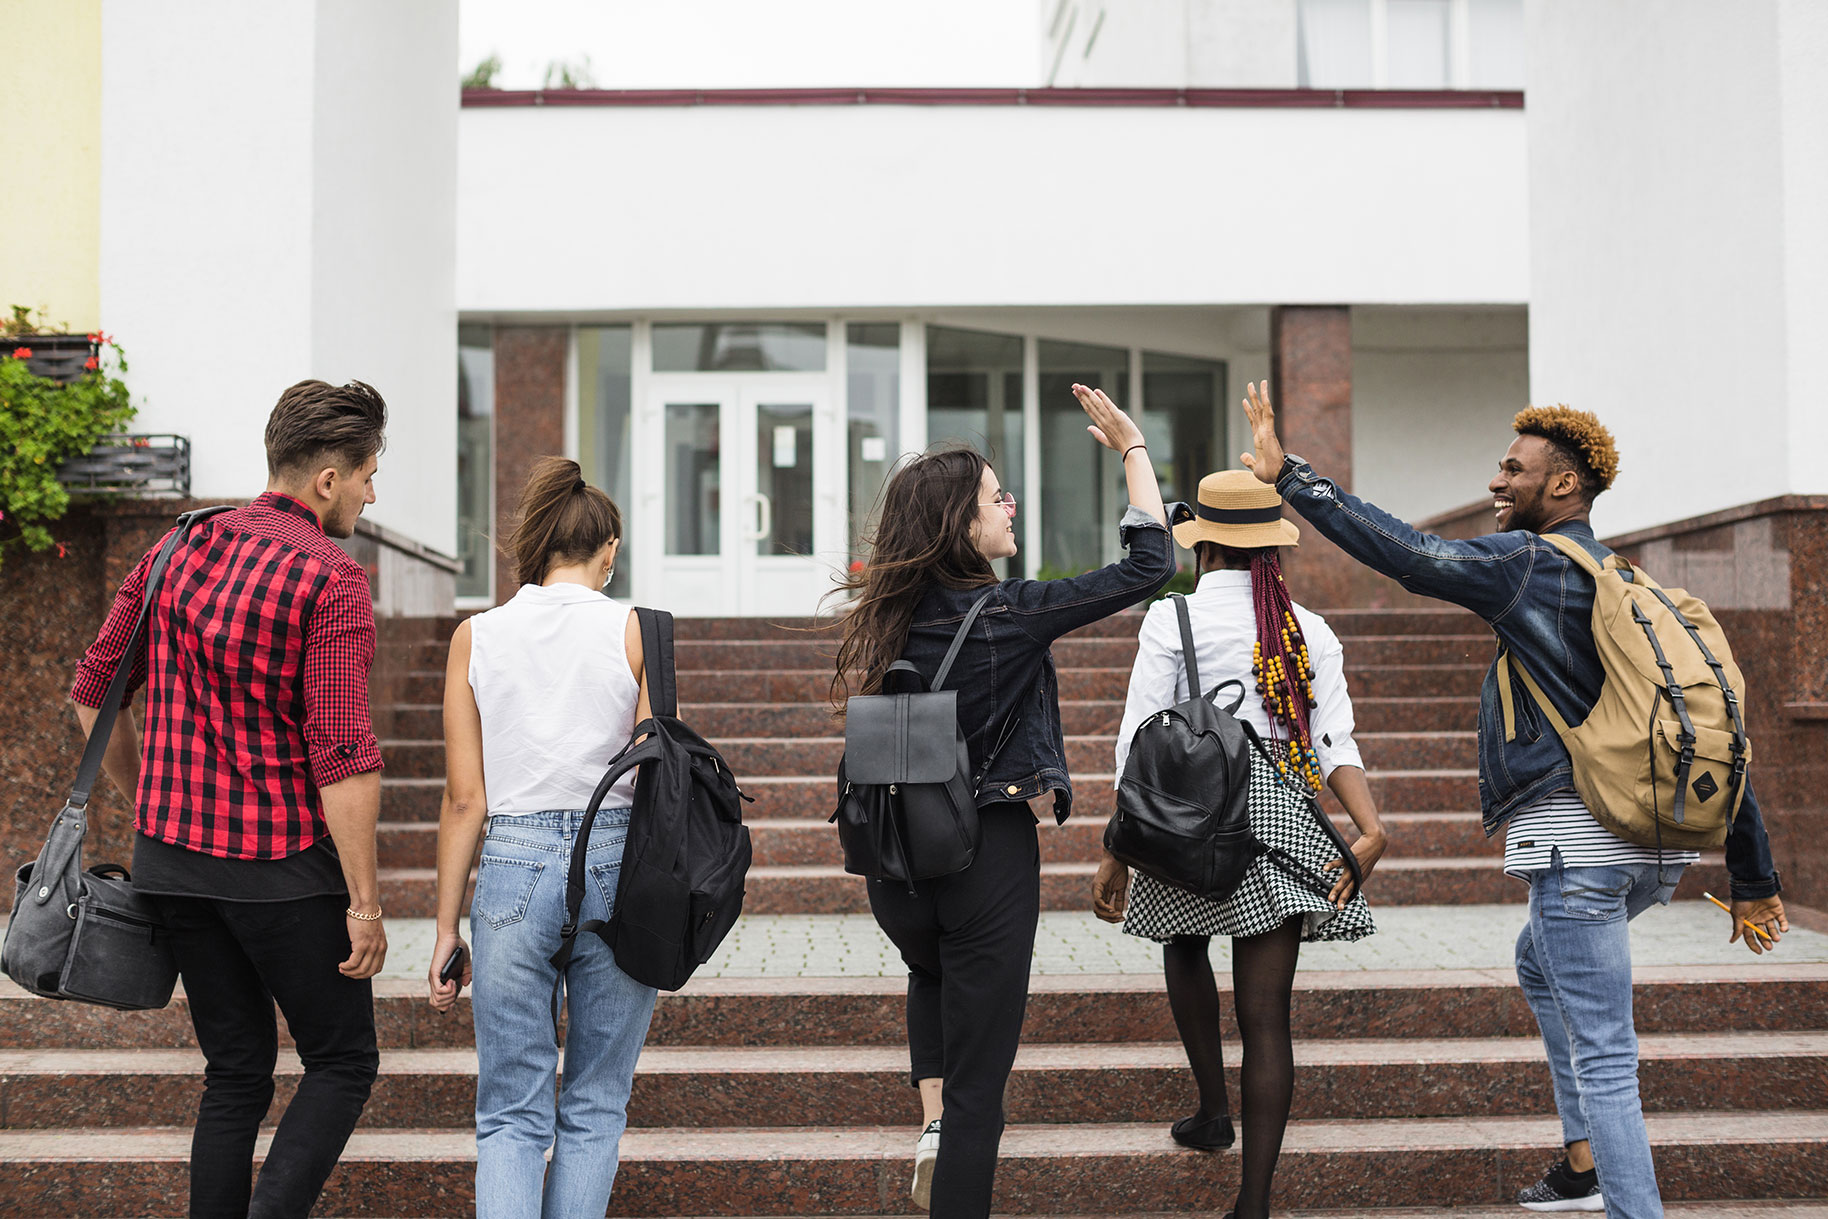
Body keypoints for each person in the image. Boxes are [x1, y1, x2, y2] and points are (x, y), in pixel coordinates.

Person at [1236, 382, 1787, 1218]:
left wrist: (1293, 479)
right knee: (1538, 960)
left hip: (1578, 850)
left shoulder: (1532, 563)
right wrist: (1754, 876)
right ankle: (1581, 1163)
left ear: (1562, 485)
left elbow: (1412, 555)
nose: (1496, 481)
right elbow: (1711, 726)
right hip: (1653, 851)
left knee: (1607, 1055)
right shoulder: (1631, 585)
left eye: (1512, 468)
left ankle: (1624, 1198)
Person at [831, 385, 1174, 1217]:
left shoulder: (885, 614)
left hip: (895, 859)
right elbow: (1150, 567)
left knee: (929, 971)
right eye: (996, 496)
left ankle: (931, 1126)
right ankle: (950, 1141)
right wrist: (1134, 450)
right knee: (981, 1091)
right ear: (962, 523)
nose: (1010, 504)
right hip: (985, 852)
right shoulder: (1007, 614)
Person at [69, 380, 388, 1219]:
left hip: (170, 866)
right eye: (367, 475)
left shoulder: (177, 547)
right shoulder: (332, 576)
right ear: (327, 478)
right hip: (279, 867)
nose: (371, 492)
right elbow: (342, 754)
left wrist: (152, 802)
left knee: (236, 1069)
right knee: (343, 1060)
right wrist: (364, 903)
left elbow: (94, 692)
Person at [1091, 467, 1385, 1219]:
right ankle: (1253, 1204)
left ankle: (1212, 1109)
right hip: (1279, 815)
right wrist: (1372, 827)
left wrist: (1116, 848)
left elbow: (1138, 736)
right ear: (1270, 549)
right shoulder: (1309, 628)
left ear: (1204, 547)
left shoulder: (1171, 618)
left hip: (1185, 806)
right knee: (1267, 1018)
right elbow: (1333, 742)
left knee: (1183, 942)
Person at [426, 456, 655, 1219]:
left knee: (510, 1111)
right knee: (595, 1103)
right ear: (608, 549)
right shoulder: (636, 630)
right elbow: (658, 778)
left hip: (512, 861)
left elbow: (465, 799)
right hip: (617, 855)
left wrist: (445, 927)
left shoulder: (476, 635)